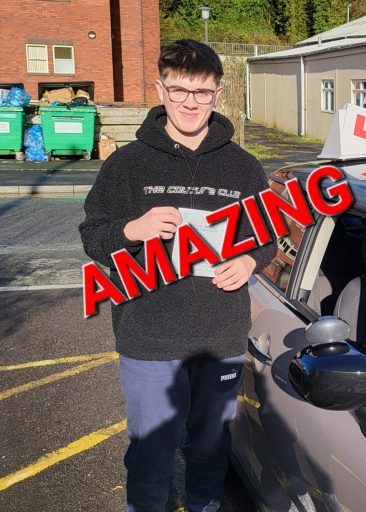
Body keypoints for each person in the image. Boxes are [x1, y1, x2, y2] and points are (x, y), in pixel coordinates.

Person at [79, 39, 275, 512]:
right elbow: (93, 234)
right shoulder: (125, 165)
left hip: (220, 337)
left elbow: (267, 235)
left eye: (202, 92)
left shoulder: (243, 168)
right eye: (179, 89)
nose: (190, 102)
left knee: (210, 449)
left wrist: (251, 261)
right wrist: (132, 228)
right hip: (149, 338)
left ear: (218, 93)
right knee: (151, 453)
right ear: (160, 88)